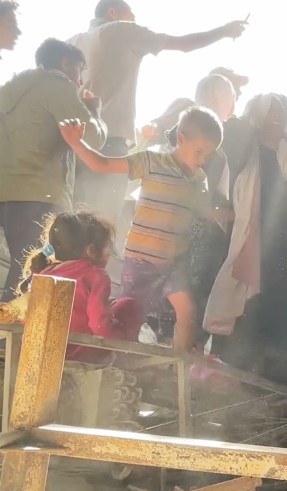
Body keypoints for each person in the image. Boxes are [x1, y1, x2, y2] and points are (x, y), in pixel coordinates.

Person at [58, 107, 225, 353]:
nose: (202, 160)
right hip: (141, 261)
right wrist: (77, 142)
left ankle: (177, 367)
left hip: (173, 262)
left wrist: (237, 217)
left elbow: (205, 212)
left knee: (187, 311)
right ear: (181, 139)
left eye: (208, 155)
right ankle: (121, 360)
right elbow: (102, 164)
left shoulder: (199, 179)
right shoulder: (151, 161)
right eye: (199, 151)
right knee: (130, 314)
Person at [68, 0, 247, 224]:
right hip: (109, 142)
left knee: (66, 222)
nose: (134, 20)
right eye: (131, 15)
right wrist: (224, 30)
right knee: (99, 227)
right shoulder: (121, 30)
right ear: (112, 13)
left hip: (71, 143)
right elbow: (183, 45)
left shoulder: (72, 43)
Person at [204, 94, 287, 384]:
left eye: (281, 112)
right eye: (269, 112)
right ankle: (235, 384)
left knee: (278, 312)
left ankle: (276, 385)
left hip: (285, 249)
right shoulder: (242, 150)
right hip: (248, 242)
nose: (276, 117)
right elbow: (233, 129)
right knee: (244, 314)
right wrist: (258, 116)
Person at [0, 38, 106, 301]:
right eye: (81, 70)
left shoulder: (12, 89)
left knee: (18, 264)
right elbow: (92, 138)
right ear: (65, 63)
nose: (80, 81)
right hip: (37, 194)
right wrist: (96, 114)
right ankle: (8, 339)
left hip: (7, 190)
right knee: (30, 269)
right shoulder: (57, 86)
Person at [18, 211, 140, 362]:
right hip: (74, 354)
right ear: (91, 250)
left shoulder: (43, 272)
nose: (110, 254)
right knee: (127, 305)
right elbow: (100, 326)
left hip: (35, 356)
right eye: (108, 247)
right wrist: (123, 341)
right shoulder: (94, 275)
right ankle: (130, 359)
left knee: (112, 305)